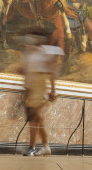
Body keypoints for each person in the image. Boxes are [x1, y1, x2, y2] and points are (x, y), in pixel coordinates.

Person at [18, 29, 61, 157]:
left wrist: (53, 90)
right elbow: (25, 71)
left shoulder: (46, 52)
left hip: (40, 86)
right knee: (37, 118)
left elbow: (52, 72)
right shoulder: (30, 53)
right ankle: (46, 146)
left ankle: (32, 147)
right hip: (31, 86)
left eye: (35, 37)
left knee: (34, 116)